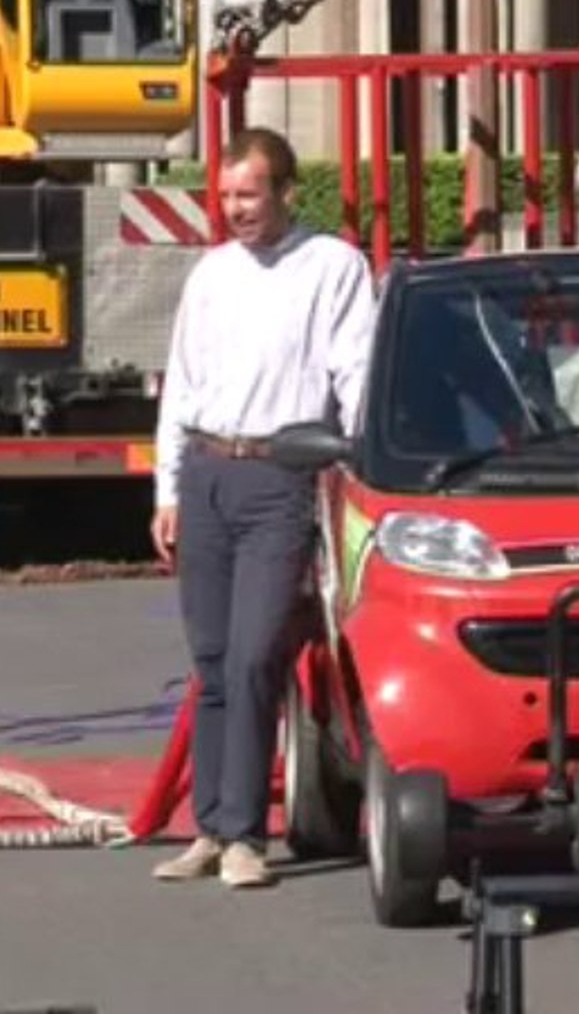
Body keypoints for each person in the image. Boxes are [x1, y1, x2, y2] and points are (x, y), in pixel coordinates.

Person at [147, 126, 378, 889]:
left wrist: (359, 475)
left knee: (254, 657)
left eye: (249, 194)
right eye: (226, 195)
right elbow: (181, 383)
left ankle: (246, 832)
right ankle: (211, 829)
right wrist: (169, 489)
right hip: (210, 471)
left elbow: (355, 372)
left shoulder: (333, 267)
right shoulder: (211, 274)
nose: (234, 208)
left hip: (281, 475)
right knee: (211, 660)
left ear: (286, 193)